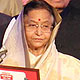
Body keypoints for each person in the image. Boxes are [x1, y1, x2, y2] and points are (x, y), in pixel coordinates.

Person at [0, 0, 80, 80]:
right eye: (32, 25)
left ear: (53, 29)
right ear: (21, 27)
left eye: (45, 26)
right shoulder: (6, 65)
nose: (39, 32)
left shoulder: (71, 67)